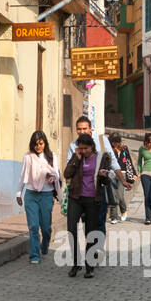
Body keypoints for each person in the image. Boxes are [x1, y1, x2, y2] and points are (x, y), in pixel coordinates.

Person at [62, 134, 105, 278]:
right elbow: (66, 174)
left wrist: (103, 175)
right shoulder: (77, 158)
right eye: (80, 148)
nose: (83, 151)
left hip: (93, 199)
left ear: (92, 146)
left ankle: (89, 266)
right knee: (71, 230)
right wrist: (76, 159)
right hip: (76, 197)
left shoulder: (100, 158)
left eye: (85, 148)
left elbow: (108, 181)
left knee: (90, 233)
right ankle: (75, 264)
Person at [16, 130, 60, 265]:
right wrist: (19, 193)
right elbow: (23, 175)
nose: (38, 147)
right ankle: (34, 255)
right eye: (35, 144)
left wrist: (53, 177)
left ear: (45, 143)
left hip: (47, 194)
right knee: (33, 226)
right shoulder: (28, 157)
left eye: (40, 143)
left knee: (46, 228)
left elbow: (57, 174)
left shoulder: (52, 156)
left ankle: (45, 245)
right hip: (31, 194)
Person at [67, 115, 116, 235]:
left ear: (90, 128)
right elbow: (68, 172)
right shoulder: (73, 146)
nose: (81, 131)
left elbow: (113, 164)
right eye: (79, 129)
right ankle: (90, 250)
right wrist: (76, 159)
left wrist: (109, 176)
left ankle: (98, 250)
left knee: (98, 223)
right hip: (79, 195)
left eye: (84, 129)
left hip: (97, 194)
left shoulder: (100, 144)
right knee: (85, 227)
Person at [106, 131, 134, 223]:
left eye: (115, 141)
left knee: (120, 195)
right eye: (112, 141)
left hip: (123, 173)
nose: (114, 143)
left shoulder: (124, 148)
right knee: (113, 195)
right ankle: (113, 216)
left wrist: (133, 175)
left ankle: (123, 210)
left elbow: (128, 161)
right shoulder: (108, 149)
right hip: (112, 173)